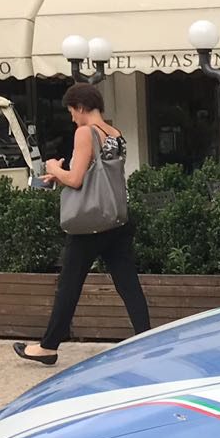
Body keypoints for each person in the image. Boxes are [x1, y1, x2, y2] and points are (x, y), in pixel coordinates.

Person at [14, 84, 150, 366]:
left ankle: (48, 347)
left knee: (69, 285)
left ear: (80, 106)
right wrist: (61, 175)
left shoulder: (85, 133)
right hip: (115, 218)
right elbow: (95, 174)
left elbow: (76, 180)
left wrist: (53, 168)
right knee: (128, 285)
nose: (72, 118)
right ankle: (147, 338)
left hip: (89, 224)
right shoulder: (115, 134)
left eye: (71, 112)